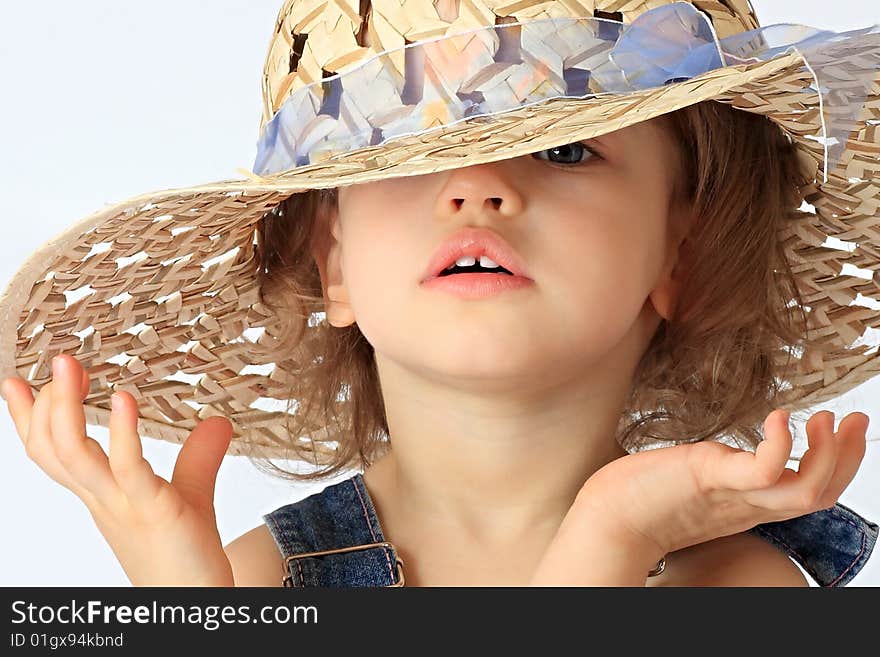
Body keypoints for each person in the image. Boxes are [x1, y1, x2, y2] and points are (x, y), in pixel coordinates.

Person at [1, 0, 878, 587]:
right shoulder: (261, 580)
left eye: (566, 150)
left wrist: (618, 535)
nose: (474, 190)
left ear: (679, 251)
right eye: (409, 161)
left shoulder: (731, 580)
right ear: (332, 260)